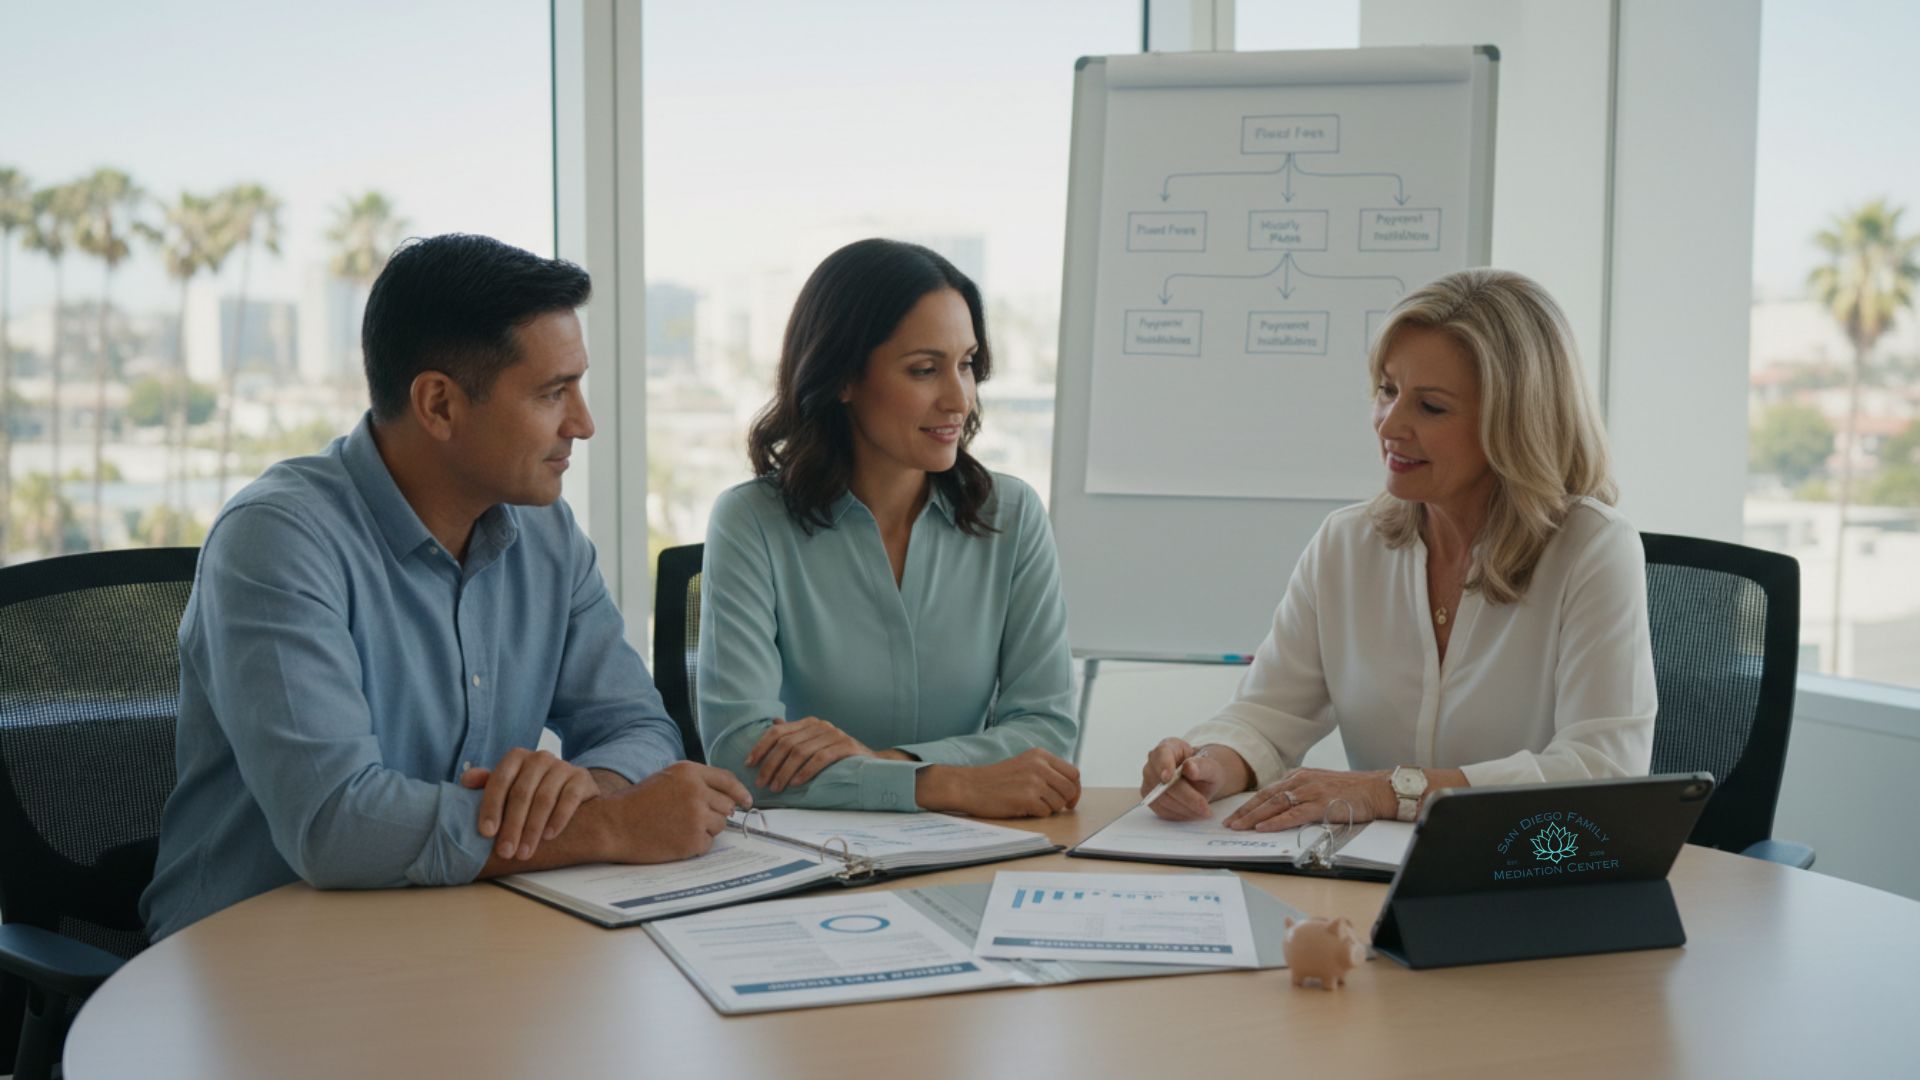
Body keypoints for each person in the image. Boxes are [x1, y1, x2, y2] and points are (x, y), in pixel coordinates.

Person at [142, 234, 750, 941]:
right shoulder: (277, 540)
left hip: (460, 931)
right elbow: (336, 824)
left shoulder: (547, 533)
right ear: (438, 405)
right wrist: (609, 824)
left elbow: (638, 727)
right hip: (254, 955)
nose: (583, 424)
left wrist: (587, 787)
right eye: (553, 392)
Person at [1139, 268, 1655, 832]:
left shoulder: (1593, 549)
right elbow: (1267, 715)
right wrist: (1209, 764)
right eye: (1388, 391)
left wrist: (1391, 791)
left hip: (1525, 865)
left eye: (1430, 407)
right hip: (1370, 873)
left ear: (1514, 422)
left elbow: (1602, 772)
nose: (1390, 425)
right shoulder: (1345, 544)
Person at [697, 238, 1080, 816]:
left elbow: (1046, 734)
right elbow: (739, 758)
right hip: (818, 851)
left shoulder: (1013, 515)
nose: (959, 399)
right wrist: (944, 784)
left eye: (967, 365)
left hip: (976, 845)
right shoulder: (750, 522)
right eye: (925, 370)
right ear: (843, 378)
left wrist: (886, 763)